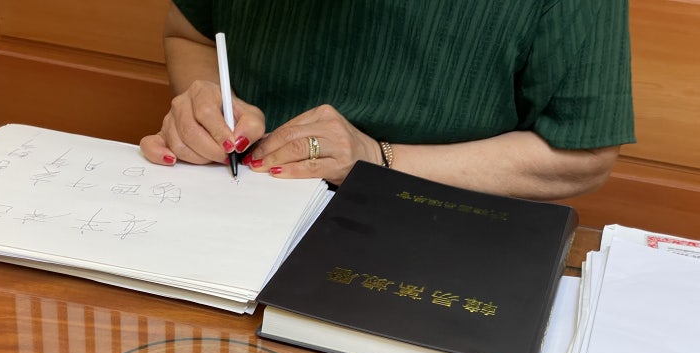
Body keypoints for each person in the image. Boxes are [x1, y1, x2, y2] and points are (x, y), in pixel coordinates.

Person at [140, 1, 635, 200]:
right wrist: (209, 109)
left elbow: (582, 156)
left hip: (436, 230)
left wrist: (377, 159)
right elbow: (190, 33)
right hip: (235, 206)